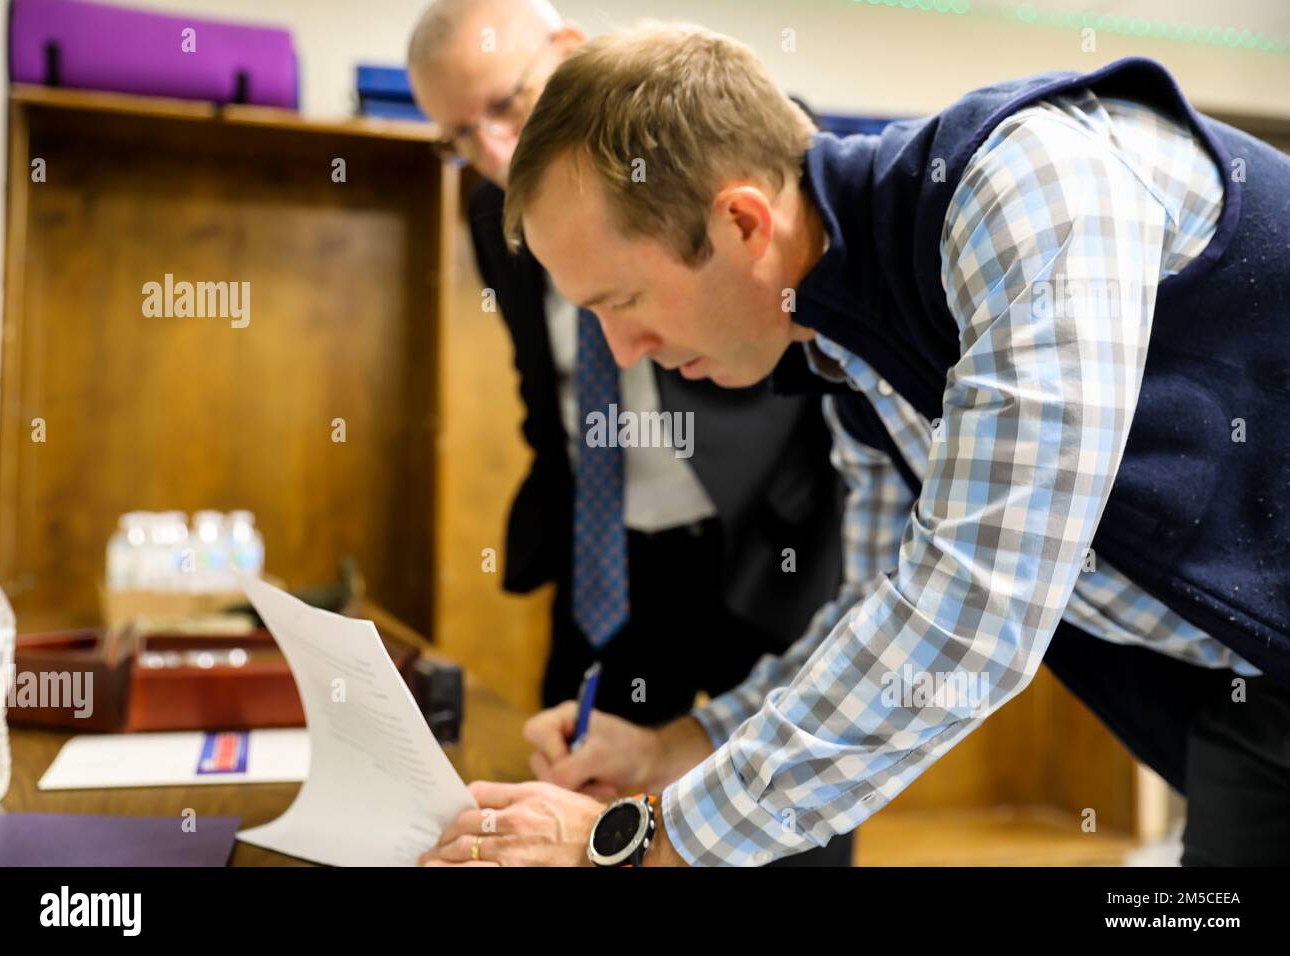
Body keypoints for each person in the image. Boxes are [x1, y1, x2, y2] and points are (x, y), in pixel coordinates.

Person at [419, 22, 1290, 867]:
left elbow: (972, 615)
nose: (619, 350)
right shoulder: (843, 343)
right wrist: (680, 745)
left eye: (623, 301)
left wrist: (643, 839)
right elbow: (878, 604)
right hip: (1250, 698)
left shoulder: (1030, 187)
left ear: (743, 225)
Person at [408, 7, 850, 865]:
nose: (495, 152)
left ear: (565, 54)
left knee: (789, 810)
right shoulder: (491, 218)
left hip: (762, 546)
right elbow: (547, 389)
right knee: (580, 798)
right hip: (611, 557)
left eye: (505, 106)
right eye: (461, 136)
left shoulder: (727, 145)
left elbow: (827, 379)